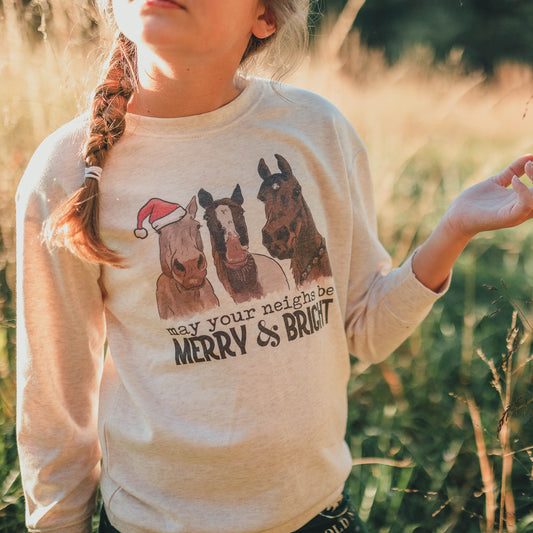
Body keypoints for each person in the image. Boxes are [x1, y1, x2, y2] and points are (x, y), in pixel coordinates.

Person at [15, 0, 533, 531]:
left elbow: (365, 329)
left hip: (315, 515)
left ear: (264, 18)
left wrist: (454, 229)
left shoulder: (315, 130)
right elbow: (53, 404)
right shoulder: (66, 174)